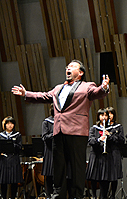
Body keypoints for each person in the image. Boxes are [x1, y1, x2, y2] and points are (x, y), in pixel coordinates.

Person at [11, 59, 110, 199]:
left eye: (72, 67)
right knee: (59, 166)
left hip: (76, 131)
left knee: (77, 166)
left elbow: (97, 93)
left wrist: (104, 87)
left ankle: (77, 195)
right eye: (67, 67)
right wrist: (26, 94)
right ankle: (58, 194)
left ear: (80, 72)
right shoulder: (58, 88)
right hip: (58, 131)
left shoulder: (87, 86)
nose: (68, 69)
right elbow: (44, 96)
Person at [86, 108, 114, 199]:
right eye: (102, 115)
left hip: (106, 156)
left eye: (106, 115)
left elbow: (116, 142)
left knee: (104, 178)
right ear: (98, 116)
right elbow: (90, 141)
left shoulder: (110, 129)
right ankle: (94, 196)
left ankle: (103, 196)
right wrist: (99, 140)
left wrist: (109, 136)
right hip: (95, 156)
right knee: (94, 178)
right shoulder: (93, 128)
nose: (104, 117)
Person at [0, 116, 23, 199]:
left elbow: (19, 147)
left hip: (14, 159)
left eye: (12, 123)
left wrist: (11, 143)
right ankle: (3, 197)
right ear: (5, 125)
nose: (10, 125)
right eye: (8, 124)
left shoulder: (18, 135)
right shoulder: (1, 135)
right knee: (3, 181)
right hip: (4, 160)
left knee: (14, 181)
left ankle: (13, 197)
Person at [106, 107, 125, 199]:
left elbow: (121, 139)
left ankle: (113, 195)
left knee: (114, 175)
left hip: (115, 152)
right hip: (106, 153)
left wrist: (111, 136)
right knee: (105, 174)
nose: (109, 116)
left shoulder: (119, 127)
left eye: (111, 113)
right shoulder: (102, 126)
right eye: (107, 114)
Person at [42, 104, 55, 198]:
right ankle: (49, 195)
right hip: (50, 152)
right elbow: (45, 137)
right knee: (49, 176)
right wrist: (55, 133)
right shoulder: (46, 122)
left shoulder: (64, 121)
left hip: (61, 152)